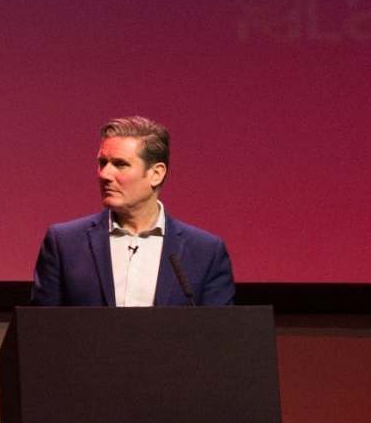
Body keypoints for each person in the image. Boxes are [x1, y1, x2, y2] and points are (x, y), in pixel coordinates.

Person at [28, 116, 234, 307]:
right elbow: (39, 331)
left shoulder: (205, 252)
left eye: (120, 164)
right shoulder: (64, 243)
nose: (105, 174)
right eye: (102, 163)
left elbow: (219, 336)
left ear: (156, 174)